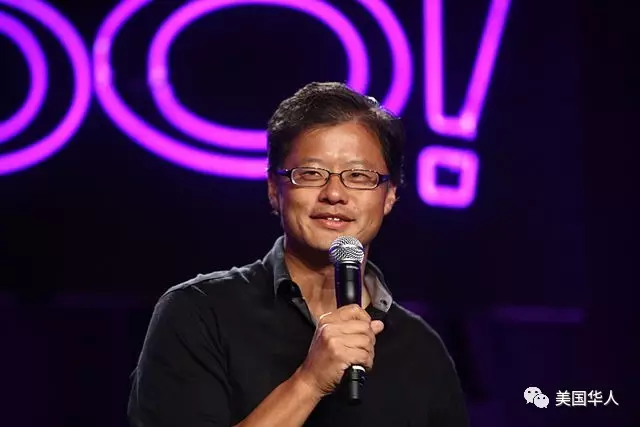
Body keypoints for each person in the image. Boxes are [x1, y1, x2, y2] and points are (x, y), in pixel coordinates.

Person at [127, 82, 469, 427]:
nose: (334, 193)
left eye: (358, 176)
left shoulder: (422, 349)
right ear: (274, 189)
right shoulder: (199, 313)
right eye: (311, 174)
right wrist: (309, 382)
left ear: (390, 195)